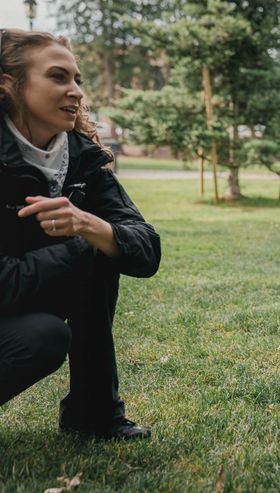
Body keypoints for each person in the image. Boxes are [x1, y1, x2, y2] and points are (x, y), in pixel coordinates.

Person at [0, 29, 161, 439]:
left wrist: (88, 225)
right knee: (46, 329)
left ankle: (93, 415)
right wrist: (79, 246)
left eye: (78, 80)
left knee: (101, 244)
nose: (75, 92)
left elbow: (147, 250)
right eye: (58, 77)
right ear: (8, 86)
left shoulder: (83, 157)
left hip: (30, 299)